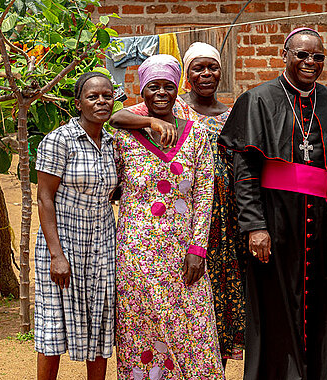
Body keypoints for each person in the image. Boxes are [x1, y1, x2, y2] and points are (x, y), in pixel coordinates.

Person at [219, 27, 327, 379]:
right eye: (303, 55)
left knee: (321, 302)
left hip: (321, 223)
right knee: (276, 306)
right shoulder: (259, 99)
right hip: (274, 220)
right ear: (285, 55)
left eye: (318, 57)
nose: (311, 62)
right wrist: (254, 226)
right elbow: (246, 172)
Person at [113, 42, 246, 363]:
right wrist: (148, 122)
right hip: (136, 255)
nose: (161, 93)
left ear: (178, 89)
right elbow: (111, 185)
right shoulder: (123, 138)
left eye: (168, 87)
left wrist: (197, 251)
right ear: (142, 92)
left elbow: (203, 198)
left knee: (194, 331)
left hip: (184, 252)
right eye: (153, 87)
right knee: (142, 332)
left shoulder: (198, 134)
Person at [34, 72, 117, 380]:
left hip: (101, 244)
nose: (101, 101)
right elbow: (44, 198)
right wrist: (57, 255)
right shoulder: (59, 140)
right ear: (78, 103)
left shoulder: (112, 143)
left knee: (100, 322)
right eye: (92, 96)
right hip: (64, 243)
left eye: (106, 96)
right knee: (53, 327)